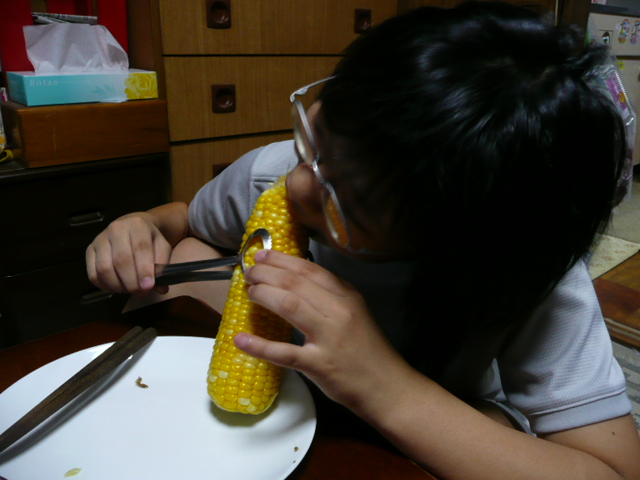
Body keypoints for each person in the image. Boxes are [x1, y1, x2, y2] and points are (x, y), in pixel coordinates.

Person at [86, 2, 640, 478]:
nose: (299, 184)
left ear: (457, 247)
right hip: (283, 410)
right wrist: (148, 225)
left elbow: (613, 470)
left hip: (426, 422)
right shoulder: (273, 174)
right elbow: (190, 223)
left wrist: (383, 385)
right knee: (187, 260)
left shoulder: (532, 272)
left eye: (347, 204)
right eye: (314, 139)